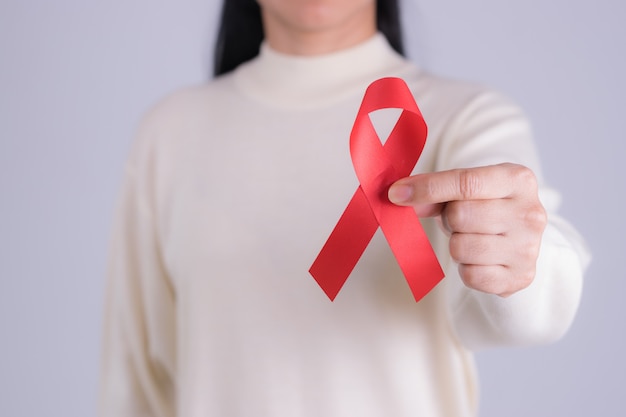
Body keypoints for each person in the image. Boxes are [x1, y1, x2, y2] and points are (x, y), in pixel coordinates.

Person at [99, 0, 590, 416]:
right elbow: (134, 384)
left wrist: (523, 262)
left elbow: (524, 306)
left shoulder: (465, 118)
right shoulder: (171, 132)